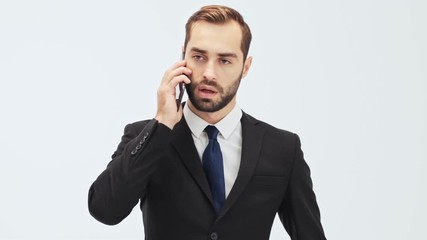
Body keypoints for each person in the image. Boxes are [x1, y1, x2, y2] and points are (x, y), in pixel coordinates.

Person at [88, 5, 327, 240]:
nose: (209, 73)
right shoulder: (146, 135)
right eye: (199, 57)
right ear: (183, 57)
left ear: (246, 67)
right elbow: (105, 210)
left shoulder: (283, 148)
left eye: (225, 60)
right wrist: (161, 123)